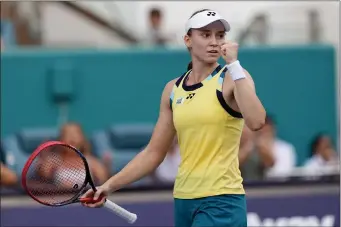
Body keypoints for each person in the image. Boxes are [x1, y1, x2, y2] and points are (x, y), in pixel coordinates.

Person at [82, 9, 266, 227]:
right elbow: (153, 152)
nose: (214, 42)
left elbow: (256, 121)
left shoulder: (233, 77)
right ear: (188, 40)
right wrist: (108, 186)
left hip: (221, 200)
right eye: (205, 35)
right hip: (183, 200)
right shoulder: (173, 89)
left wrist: (234, 65)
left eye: (220, 35)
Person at [240, 116, 297, 180]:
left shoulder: (284, 148)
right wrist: (249, 146)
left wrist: (262, 147)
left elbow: (271, 164)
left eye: (267, 131)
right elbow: (235, 165)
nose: (264, 134)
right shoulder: (242, 146)